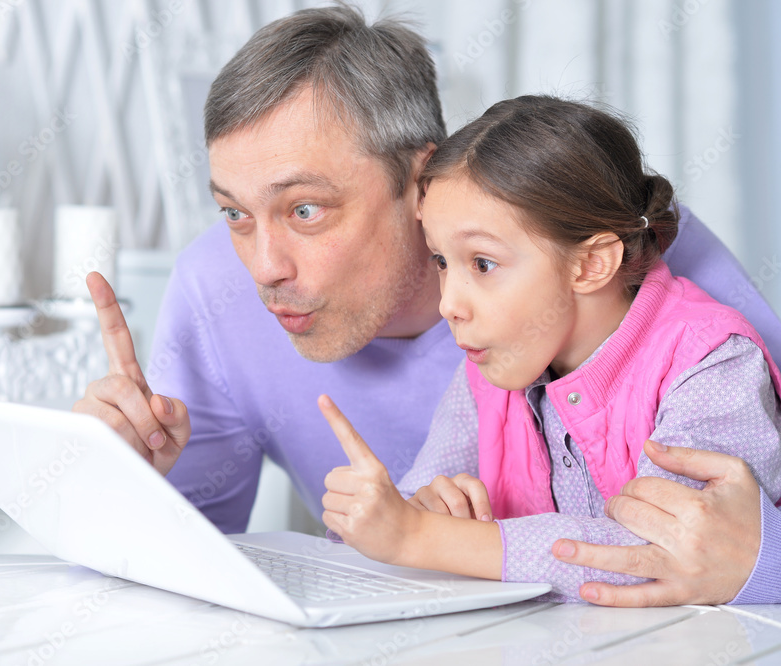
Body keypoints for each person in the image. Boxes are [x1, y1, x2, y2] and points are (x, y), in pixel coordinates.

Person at [73, 5, 781, 604]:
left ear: (419, 182)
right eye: (234, 212)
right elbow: (195, 566)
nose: (263, 268)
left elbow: (717, 536)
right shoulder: (216, 286)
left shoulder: (632, 244)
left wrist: (761, 562)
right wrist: (111, 480)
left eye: (306, 209)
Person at [317, 94, 781, 602]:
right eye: (442, 262)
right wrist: (410, 510)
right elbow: (402, 516)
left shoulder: (714, 365)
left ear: (591, 264)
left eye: (483, 264)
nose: (448, 304)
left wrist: (420, 537)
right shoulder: (490, 371)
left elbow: (668, 552)